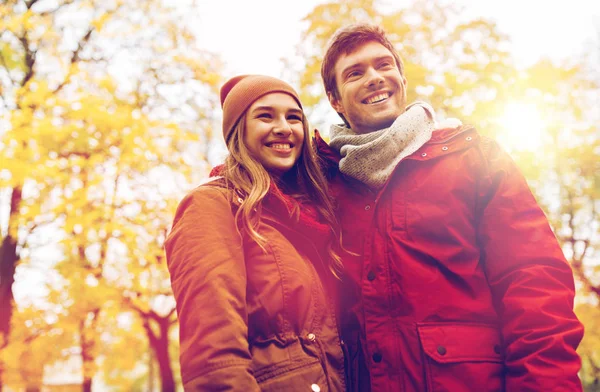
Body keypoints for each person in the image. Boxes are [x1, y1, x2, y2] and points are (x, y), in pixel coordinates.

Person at [314, 23, 584, 391]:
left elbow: (534, 283)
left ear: (402, 78)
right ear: (335, 100)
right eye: (355, 73)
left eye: (384, 65)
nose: (374, 78)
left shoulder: (476, 158)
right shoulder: (323, 187)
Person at [165, 75, 347, 391]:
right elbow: (215, 360)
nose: (284, 127)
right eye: (265, 115)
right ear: (239, 131)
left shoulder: (310, 217)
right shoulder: (212, 206)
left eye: (293, 117)